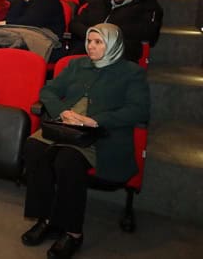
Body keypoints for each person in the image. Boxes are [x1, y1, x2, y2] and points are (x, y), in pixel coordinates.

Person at [21, 23, 150, 259]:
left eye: (98, 42)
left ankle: (73, 232)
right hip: (66, 126)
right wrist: (62, 111)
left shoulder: (131, 72)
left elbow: (138, 111)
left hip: (101, 133)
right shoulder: (77, 64)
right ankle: (47, 219)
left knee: (67, 159)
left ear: (113, 44)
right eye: (89, 41)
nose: (91, 46)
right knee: (33, 146)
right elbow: (48, 90)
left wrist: (96, 121)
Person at [69, 0, 163, 62]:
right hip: (87, 49)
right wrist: (92, 34)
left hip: (120, 54)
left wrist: (106, 36)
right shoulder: (98, 4)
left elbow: (147, 34)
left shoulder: (145, 8)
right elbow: (74, 24)